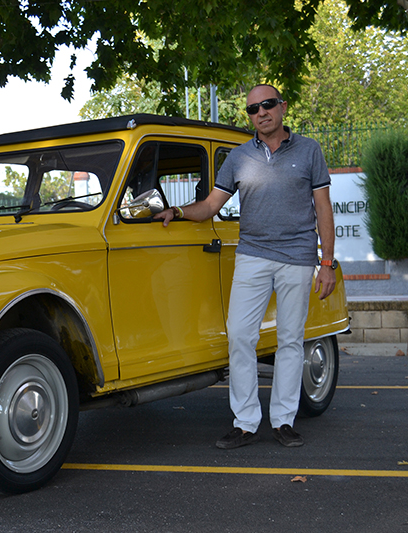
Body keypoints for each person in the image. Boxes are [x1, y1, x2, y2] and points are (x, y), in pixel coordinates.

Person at [155, 84, 337, 449]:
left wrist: (327, 262)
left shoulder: (309, 150)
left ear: (282, 107)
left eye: (268, 105)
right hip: (252, 255)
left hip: (298, 258)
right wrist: (177, 211)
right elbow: (209, 206)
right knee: (239, 335)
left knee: (289, 340)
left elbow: (323, 208)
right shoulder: (238, 157)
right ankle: (245, 423)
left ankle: (283, 421)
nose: (261, 113)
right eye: (254, 109)